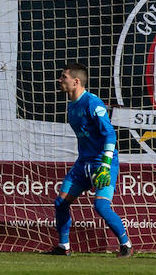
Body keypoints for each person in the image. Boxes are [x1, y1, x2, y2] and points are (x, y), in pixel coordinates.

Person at [45, 63, 132, 257]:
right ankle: (63, 246)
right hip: (83, 163)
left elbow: (110, 134)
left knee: (101, 205)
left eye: (63, 77)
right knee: (61, 202)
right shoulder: (72, 104)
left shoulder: (93, 103)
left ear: (76, 82)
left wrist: (105, 164)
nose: (59, 80)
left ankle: (126, 244)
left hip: (102, 162)